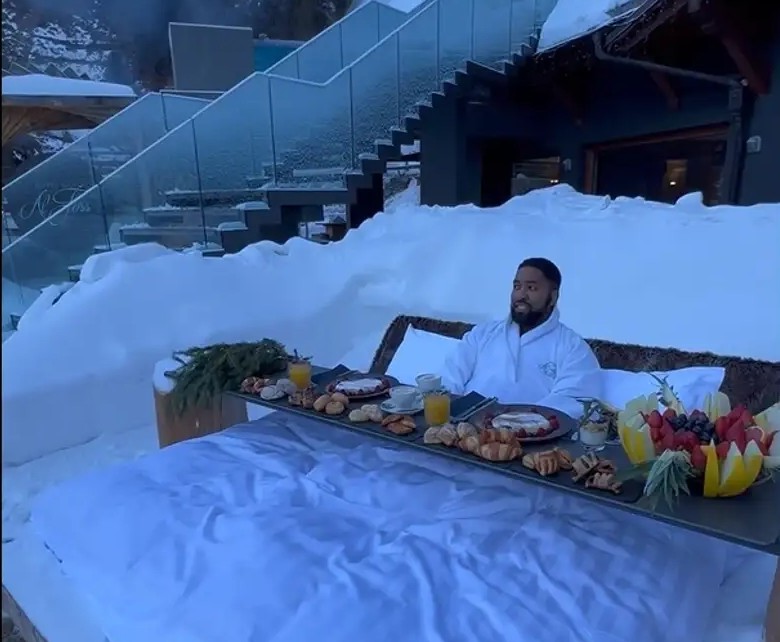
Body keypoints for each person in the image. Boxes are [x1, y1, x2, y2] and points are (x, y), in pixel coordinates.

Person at [440, 257, 602, 419]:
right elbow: (451, 376)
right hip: (466, 425)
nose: (521, 295)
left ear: (553, 297)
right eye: (517, 287)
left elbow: (573, 399)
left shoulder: (572, 347)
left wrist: (519, 421)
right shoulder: (483, 334)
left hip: (533, 436)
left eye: (531, 288)